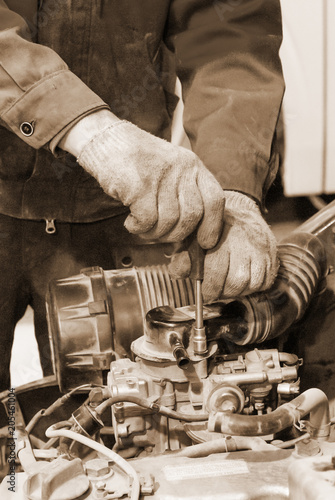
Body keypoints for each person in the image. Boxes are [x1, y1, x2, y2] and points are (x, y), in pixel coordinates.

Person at [0, 0, 284, 391]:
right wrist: (90, 131)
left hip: (131, 209)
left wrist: (231, 187)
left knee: (123, 418)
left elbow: (231, 33)